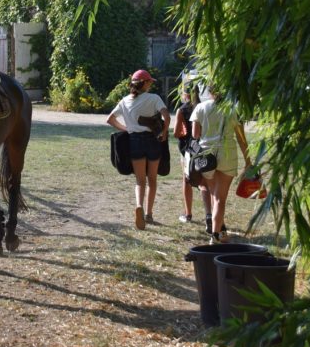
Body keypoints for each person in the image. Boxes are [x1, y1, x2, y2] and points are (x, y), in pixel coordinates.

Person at [106, 69, 171, 229]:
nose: (151, 84)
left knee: (140, 181)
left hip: (134, 142)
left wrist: (127, 129)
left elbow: (110, 119)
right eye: (150, 82)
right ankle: (149, 214)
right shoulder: (154, 98)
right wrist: (163, 132)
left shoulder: (125, 100)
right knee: (152, 180)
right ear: (146, 83)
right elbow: (167, 116)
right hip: (152, 141)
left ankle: (139, 206)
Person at [190, 85, 252, 243]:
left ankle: (219, 231)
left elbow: (195, 134)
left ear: (209, 91)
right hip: (227, 154)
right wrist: (248, 162)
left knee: (213, 194)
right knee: (220, 199)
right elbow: (241, 138)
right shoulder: (233, 109)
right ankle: (216, 234)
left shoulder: (200, 107)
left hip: (206, 155)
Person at [174, 88, 211, 225]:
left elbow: (177, 133)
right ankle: (209, 214)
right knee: (204, 183)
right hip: (204, 147)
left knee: (187, 180)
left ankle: (188, 213)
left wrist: (183, 131)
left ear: (185, 94)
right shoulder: (205, 107)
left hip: (188, 150)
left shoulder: (182, 110)